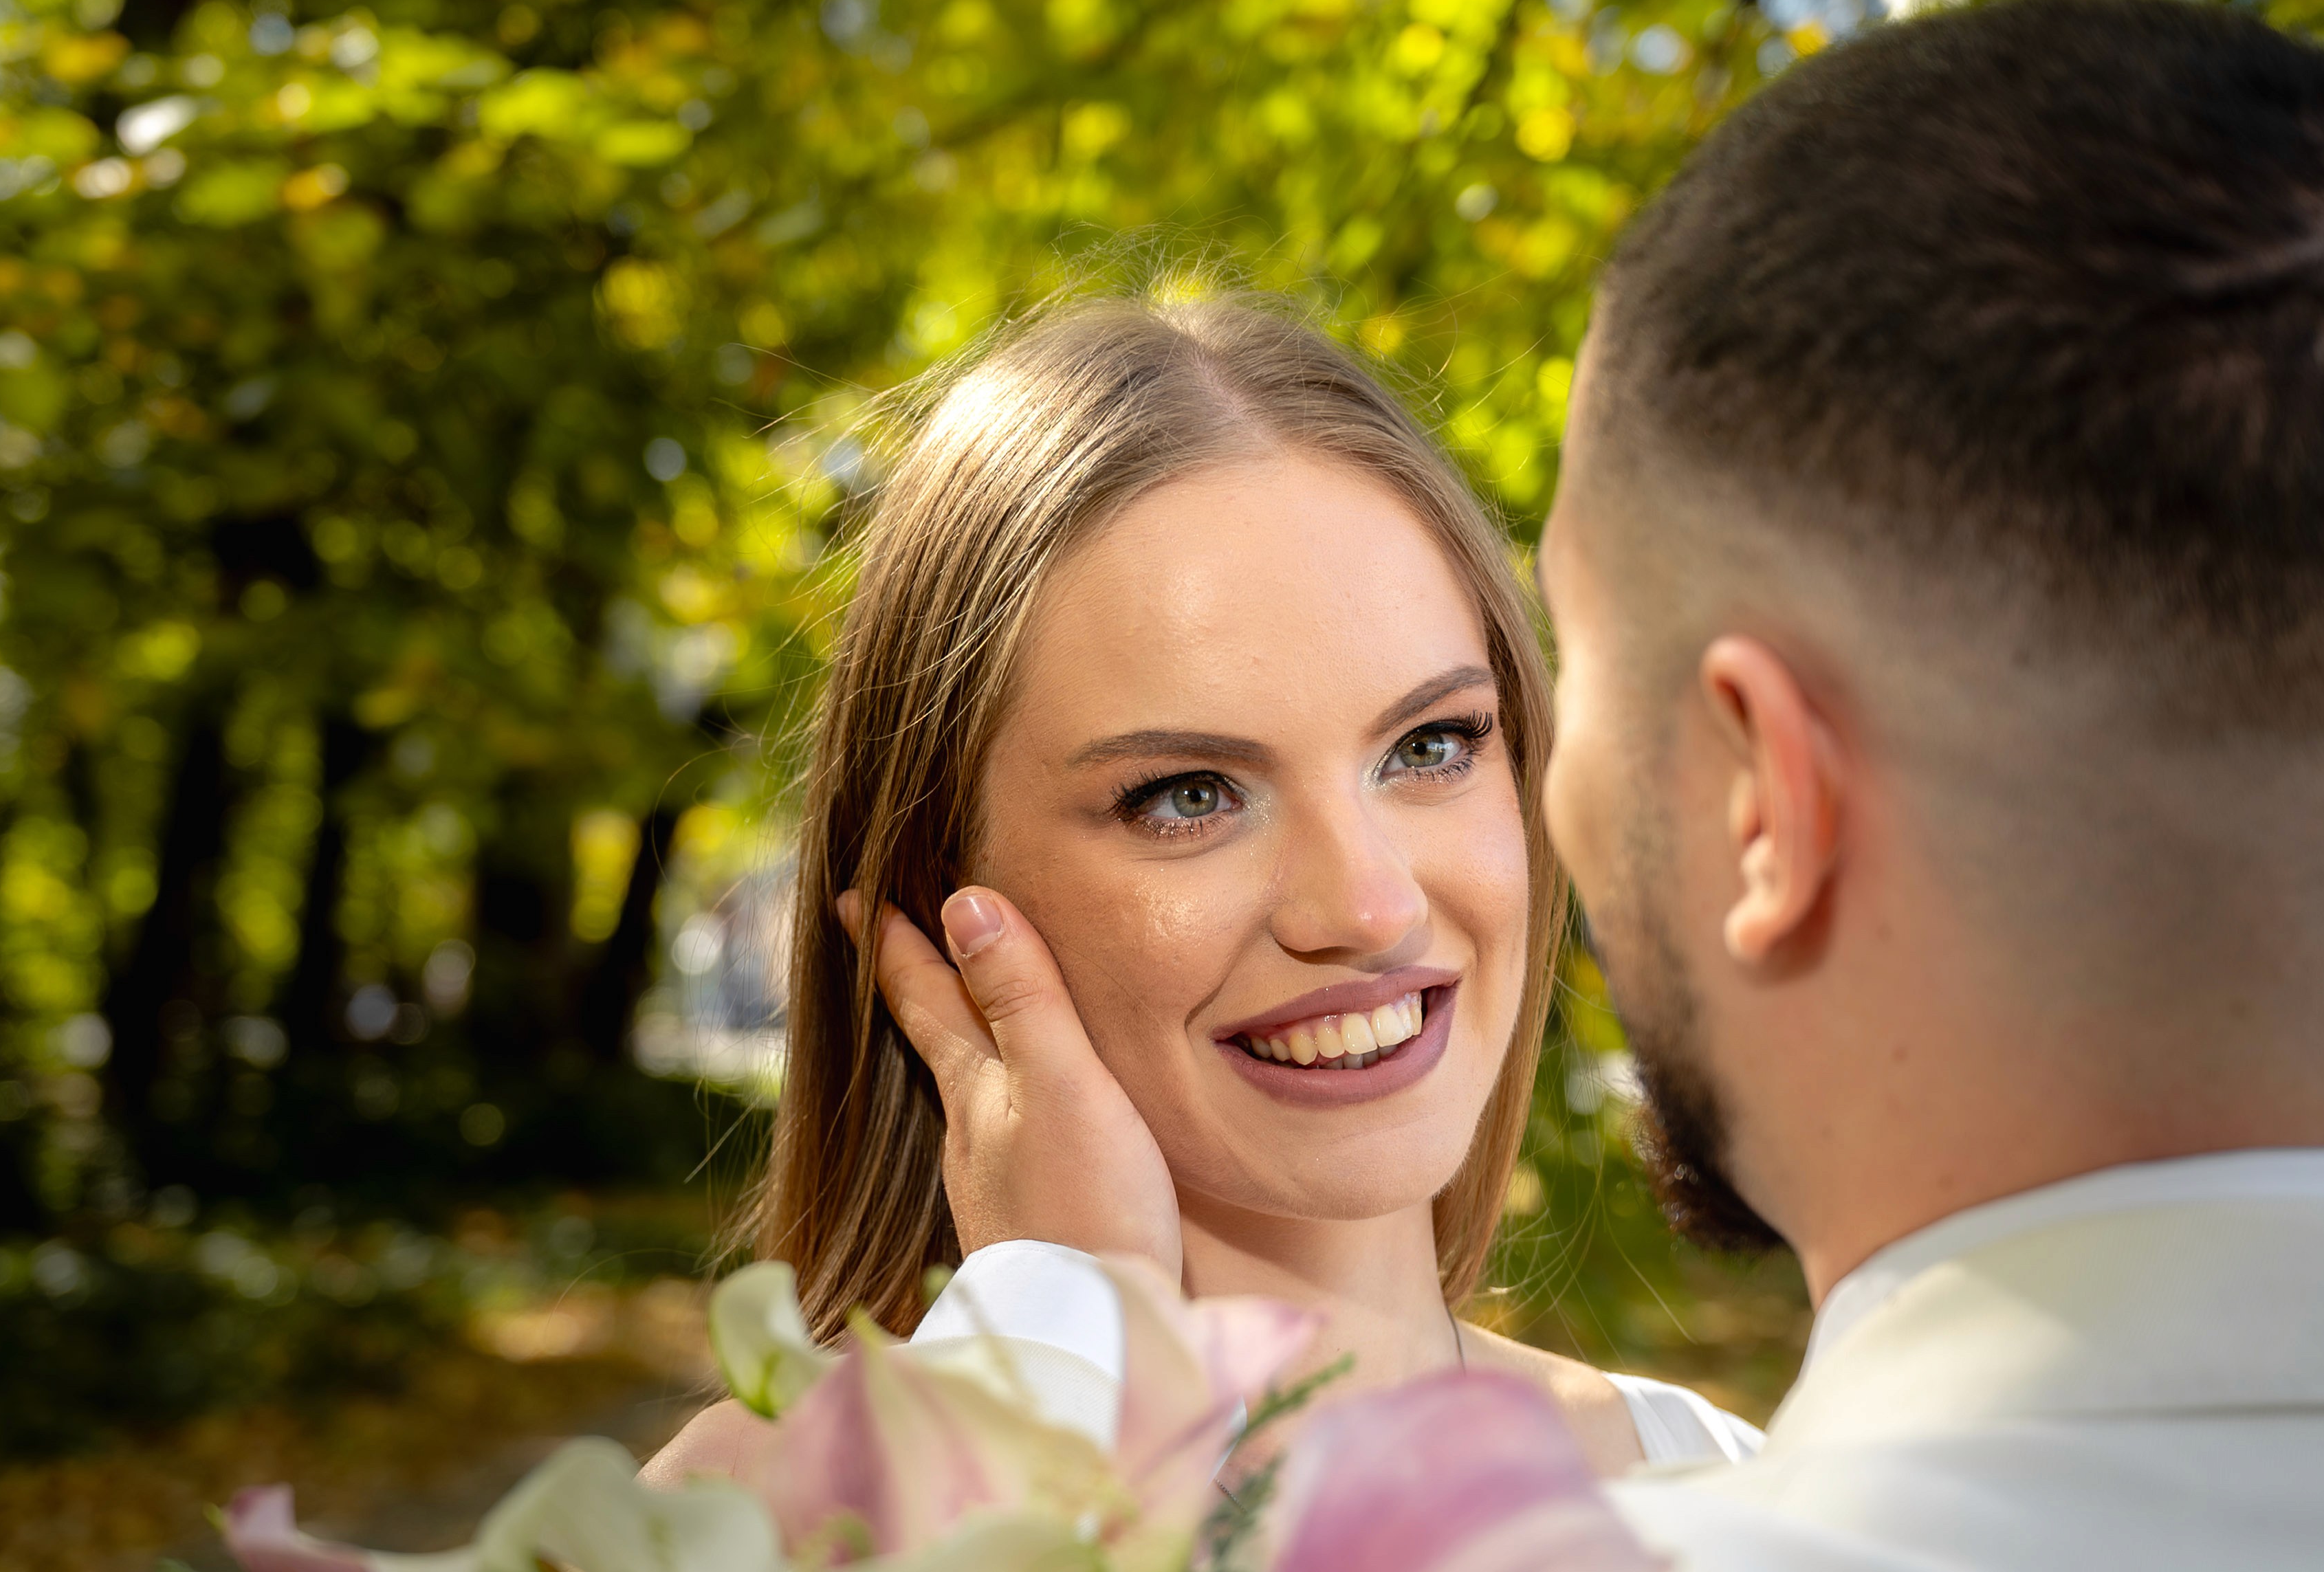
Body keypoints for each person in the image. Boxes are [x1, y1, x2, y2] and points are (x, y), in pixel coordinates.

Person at [901, 0, 2324, 1572]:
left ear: (1768, 790)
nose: (1364, 901)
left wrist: (1052, 1357)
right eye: (1183, 791)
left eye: (1456, 736)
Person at [644, 291, 1761, 1490]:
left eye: (1431, 746)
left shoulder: (1741, 1489)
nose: (1370, 908)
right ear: (938, 897)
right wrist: (1074, 1324)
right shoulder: (763, 1531)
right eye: (1187, 794)